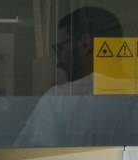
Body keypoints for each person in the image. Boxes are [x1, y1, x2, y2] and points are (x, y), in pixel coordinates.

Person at [17, 6, 133, 146]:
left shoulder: (58, 100)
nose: (59, 63)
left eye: (60, 48)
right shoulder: (133, 96)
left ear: (85, 44)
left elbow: (28, 155)